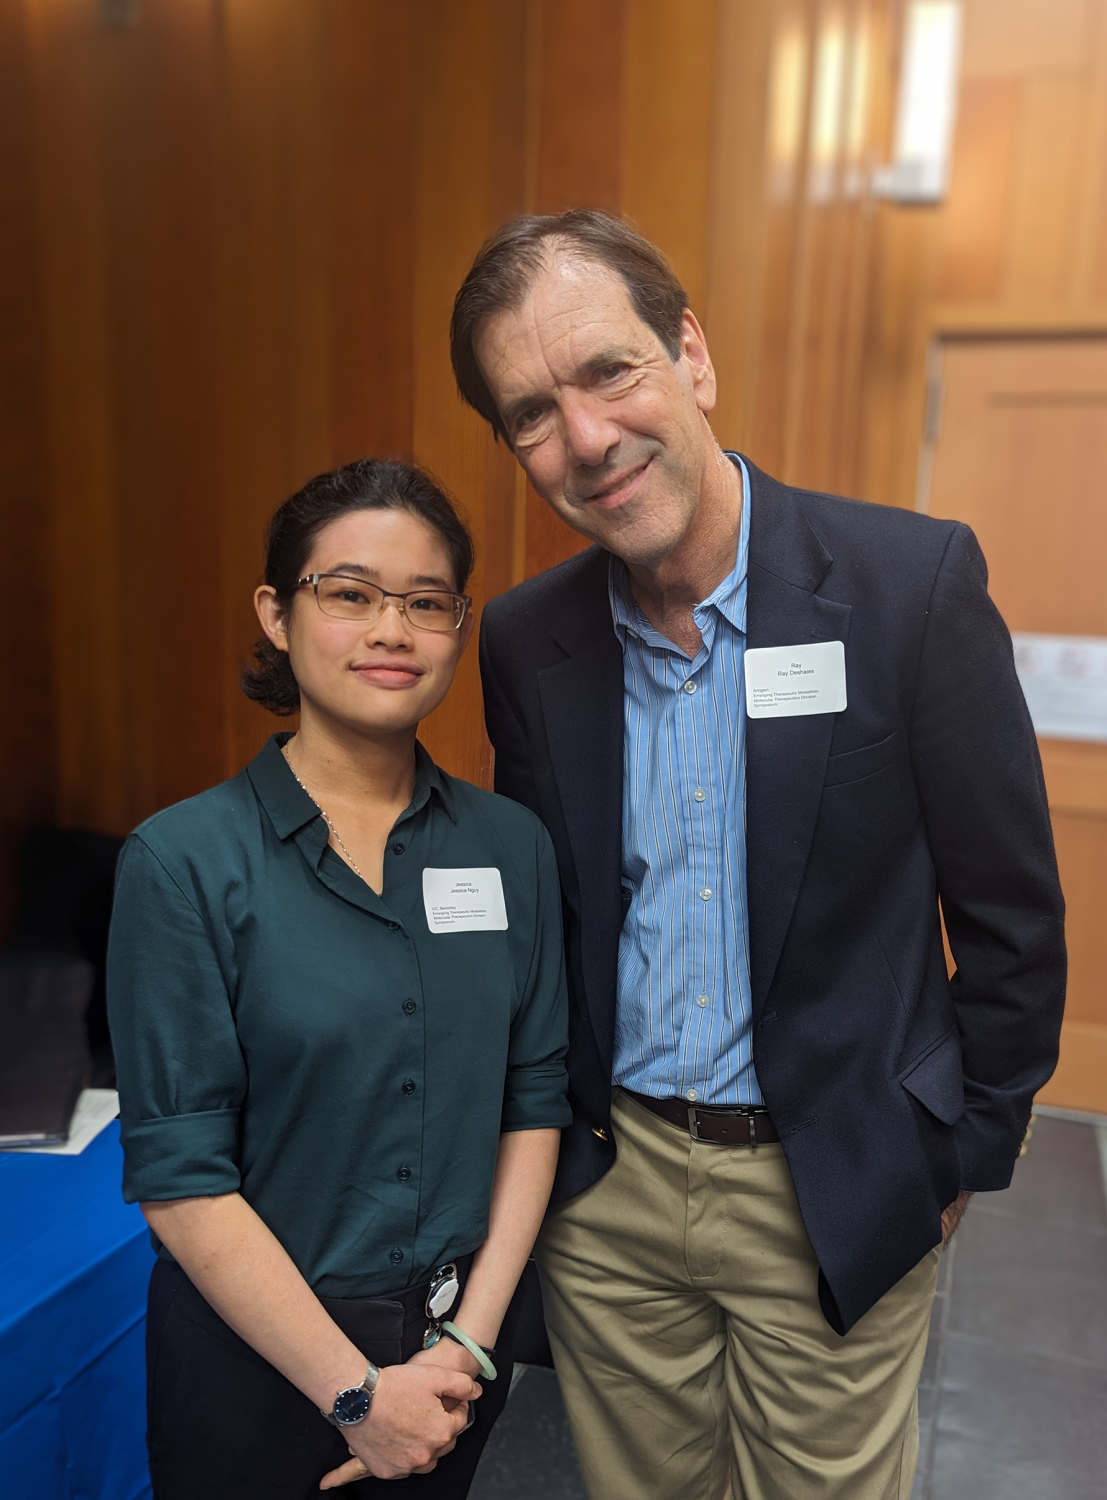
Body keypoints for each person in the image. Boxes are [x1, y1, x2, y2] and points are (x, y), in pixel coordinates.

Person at [449, 210, 1067, 1500]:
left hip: (831, 1173)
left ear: (692, 355)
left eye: (609, 371)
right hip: (612, 1195)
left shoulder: (911, 587)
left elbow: (1013, 920)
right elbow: (558, 921)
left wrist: (957, 1152)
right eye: (532, 413)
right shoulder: (526, 639)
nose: (588, 438)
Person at [106, 458, 570, 1499]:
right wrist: (358, 1398)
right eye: (350, 595)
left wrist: (467, 1353)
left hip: (448, 1363)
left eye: (426, 603)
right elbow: (181, 1185)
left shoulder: (512, 849)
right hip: (258, 1360)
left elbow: (532, 1106)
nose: (391, 631)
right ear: (277, 614)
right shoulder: (183, 861)